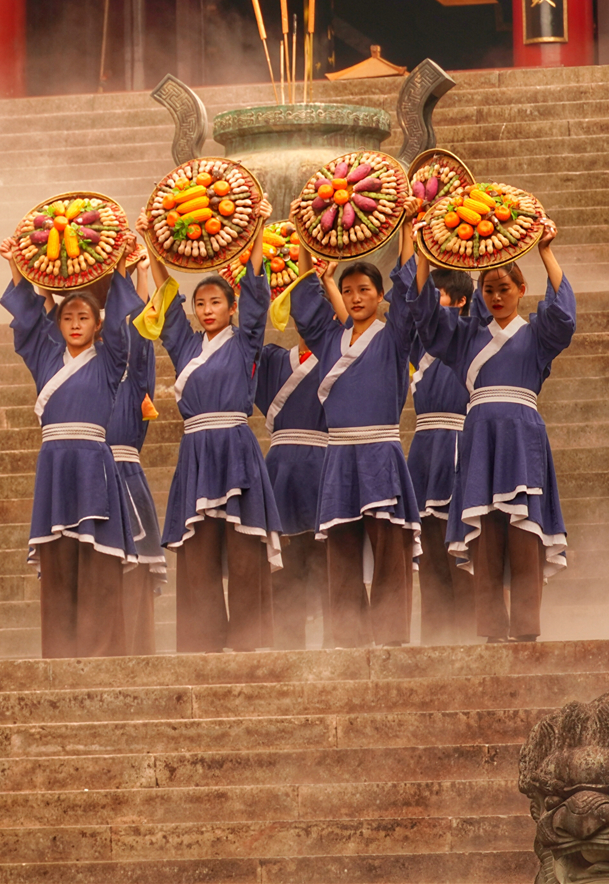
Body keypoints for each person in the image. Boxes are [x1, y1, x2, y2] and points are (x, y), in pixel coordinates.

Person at [414, 219, 570, 643]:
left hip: (522, 435)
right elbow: (426, 321)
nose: (498, 296)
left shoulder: (536, 334)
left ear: (521, 290)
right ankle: (491, 630)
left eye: (505, 288)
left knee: (524, 533)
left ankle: (526, 630)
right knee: (484, 534)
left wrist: (546, 252)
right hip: (480, 434)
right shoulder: (466, 337)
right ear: (480, 295)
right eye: (490, 290)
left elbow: (565, 316)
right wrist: (424, 258)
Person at [134, 224, 282, 653]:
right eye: (200, 303)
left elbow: (257, 295)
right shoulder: (186, 347)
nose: (206, 309)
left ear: (231, 308)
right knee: (198, 552)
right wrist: (151, 244)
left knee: (244, 545)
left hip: (235, 446)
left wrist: (255, 233)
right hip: (197, 452)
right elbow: (165, 305)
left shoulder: (246, 342)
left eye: (216, 302)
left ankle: (250, 639)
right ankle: (203, 640)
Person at [0, 242, 145, 659]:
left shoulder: (110, 358)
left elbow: (121, 323)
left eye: (84, 317)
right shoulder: (44, 356)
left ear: (98, 324)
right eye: (68, 317)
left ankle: (101, 652)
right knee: (58, 559)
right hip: (55, 465)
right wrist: (16, 266)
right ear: (58, 324)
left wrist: (120, 269)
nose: (76, 324)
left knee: (98, 557)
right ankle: (60, 652)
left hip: (94, 462)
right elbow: (27, 324)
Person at [290, 219, 425, 648]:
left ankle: (390, 634)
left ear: (379, 295)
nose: (355, 297)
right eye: (348, 291)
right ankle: (347, 635)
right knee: (342, 547)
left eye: (364, 290)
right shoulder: (331, 337)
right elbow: (304, 306)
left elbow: (410, 299)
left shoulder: (396, 336)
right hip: (340, 452)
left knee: (389, 545)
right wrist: (303, 237)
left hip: (381, 448)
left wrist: (407, 232)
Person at [253, 273, 330, 651]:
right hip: (281, 468)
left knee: (329, 561)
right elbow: (246, 349)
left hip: (325, 465)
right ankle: (287, 643)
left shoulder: (341, 360)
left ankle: (337, 640)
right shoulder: (272, 360)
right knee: (283, 562)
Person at [407, 267, 477, 644]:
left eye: (440, 296)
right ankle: (434, 637)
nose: (431, 303)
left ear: (462, 301)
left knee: (461, 547)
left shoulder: (471, 336)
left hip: (458, 441)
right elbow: (413, 304)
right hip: (424, 447)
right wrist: (415, 249)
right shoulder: (420, 343)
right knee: (431, 550)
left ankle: (469, 633)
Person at [106, 255, 165, 655]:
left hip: (125, 472)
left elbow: (141, 333)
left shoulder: (133, 378)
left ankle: (140, 648)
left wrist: (142, 273)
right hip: (88, 472)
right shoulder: (81, 371)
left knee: (136, 570)